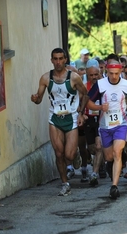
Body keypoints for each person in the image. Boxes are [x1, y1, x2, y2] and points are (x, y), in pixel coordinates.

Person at [31, 48, 88, 196]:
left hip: (71, 118)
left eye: (60, 58)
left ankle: (75, 153)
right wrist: (36, 99)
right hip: (55, 118)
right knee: (59, 153)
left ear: (65, 60)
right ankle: (65, 183)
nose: (58, 62)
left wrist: (81, 113)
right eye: (55, 59)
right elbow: (39, 99)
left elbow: (85, 94)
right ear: (51, 60)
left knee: (68, 155)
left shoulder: (74, 77)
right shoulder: (45, 78)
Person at [87, 60, 127, 199]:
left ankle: (114, 186)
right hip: (105, 125)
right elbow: (89, 102)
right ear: (107, 72)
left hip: (121, 123)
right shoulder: (100, 84)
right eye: (111, 73)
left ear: (120, 72)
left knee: (117, 152)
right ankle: (116, 163)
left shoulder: (126, 85)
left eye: (117, 73)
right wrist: (99, 108)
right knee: (109, 156)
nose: (114, 76)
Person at [83, 59, 105, 186]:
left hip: (101, 118)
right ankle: (100, 163)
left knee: (98, 146)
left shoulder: (105, 84)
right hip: (89, 118)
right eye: (91, 75)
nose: (93, 77)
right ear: (87, 74)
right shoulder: (84, 86)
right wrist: (81, 114)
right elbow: (80, 101)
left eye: (96, 74)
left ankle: (94, 173)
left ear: (99, 72)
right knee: (92, 148)